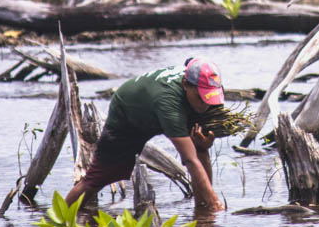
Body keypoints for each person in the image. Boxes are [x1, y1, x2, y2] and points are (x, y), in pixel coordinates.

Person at [65, 57, 225, 213]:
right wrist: (216, 203)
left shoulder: (203, 91)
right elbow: (190, 159)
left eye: (209, 97)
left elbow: (193, 63)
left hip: (158, 106)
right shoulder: (168, 104)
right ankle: (59, 217)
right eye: (200, 98)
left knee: (199, 146)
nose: (205, 105)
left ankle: (203, 213)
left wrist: (204, 145)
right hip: (127, 116)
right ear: (185, 84)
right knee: (98, 178)